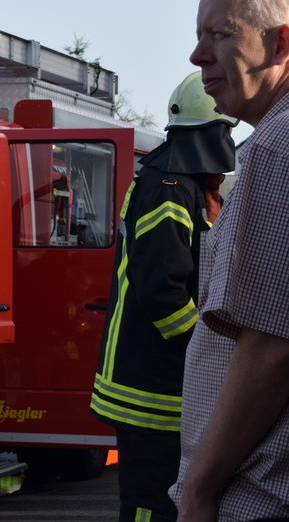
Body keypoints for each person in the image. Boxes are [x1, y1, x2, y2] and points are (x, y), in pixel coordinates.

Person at [170, 0, 289, 520]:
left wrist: (200, 489)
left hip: (256, 496)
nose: (198, 56)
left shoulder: (275, 150)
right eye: (199, 35)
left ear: (280, 42)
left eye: (218, 34)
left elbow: (271, 345)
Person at [90, 71, 237, 521]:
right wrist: (207, 350)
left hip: (158, 381)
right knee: (153, 504)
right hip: (152, 389)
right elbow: (164, 293)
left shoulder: (174, 179)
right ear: (212, 131)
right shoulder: (171, 188)